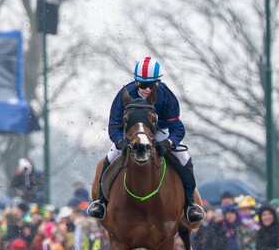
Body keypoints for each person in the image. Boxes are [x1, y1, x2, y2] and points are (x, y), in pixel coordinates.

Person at [86, 57, 205, 223]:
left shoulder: (167, 96)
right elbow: (114, 126)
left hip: (160, 131)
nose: (147, 89)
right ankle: (101, 203)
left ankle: (190, 206)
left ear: (158, 82)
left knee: (184, 158)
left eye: (152, 85)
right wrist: (120, 142)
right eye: (143, 85)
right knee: (110, 158)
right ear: (136, 82)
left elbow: (178, 128)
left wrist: (168, 143)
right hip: (131, 134)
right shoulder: (124, 95)